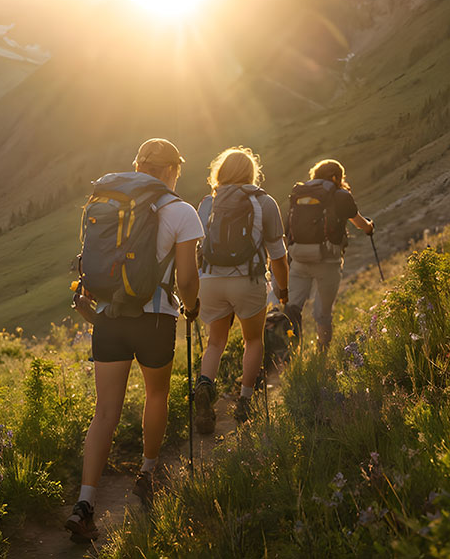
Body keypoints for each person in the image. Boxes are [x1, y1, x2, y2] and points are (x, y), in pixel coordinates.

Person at [65, 138, 202, 543]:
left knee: (104, 410)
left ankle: (85, 503)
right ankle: (147, 474)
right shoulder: (180, 211)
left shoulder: (108, 201)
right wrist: (191, 309)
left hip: (108, 317)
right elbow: (188, 279)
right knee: (156, 396)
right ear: (172, 169)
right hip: (155, 318)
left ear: (139, 165)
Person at [193, 147, 289, 432]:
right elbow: (278, 255)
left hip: (209, 280)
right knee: (253, 341)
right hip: (247, 281)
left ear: (219, 173)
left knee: (215, 342)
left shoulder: (207, 203)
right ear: (251, 173)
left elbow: (197, 246)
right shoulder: (265, 202)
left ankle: (204, 386)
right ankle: (245, 401)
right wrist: (282, 289)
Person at [285, 158, 374, 350]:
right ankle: (322, 352)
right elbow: (359, 222)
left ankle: (289, 349)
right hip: (327, 260)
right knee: (323, 312)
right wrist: (369, 227)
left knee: (293, 306)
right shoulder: (340, 195)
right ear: (335, 177)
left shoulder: (299, 193)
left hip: (299, 257)